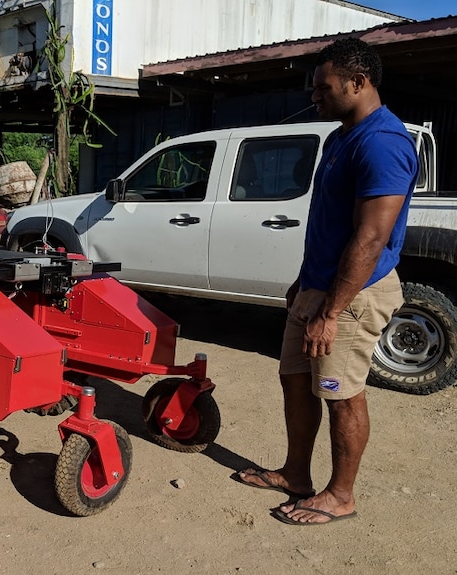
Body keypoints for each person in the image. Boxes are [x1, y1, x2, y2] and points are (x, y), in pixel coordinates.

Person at [233, 38, 418, 525]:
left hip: (352, 295)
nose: (315, 96)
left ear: (358, 82)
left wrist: (331, 311)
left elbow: (371, 237)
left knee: (340, 392)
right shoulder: (341, 136)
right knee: (294, 379)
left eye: (323, 87)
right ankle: (296, 474)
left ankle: (341, 495)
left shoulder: (382, 141)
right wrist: (303, 282)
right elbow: (328, 222)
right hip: (320, 286)